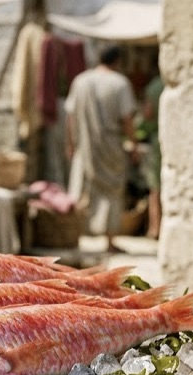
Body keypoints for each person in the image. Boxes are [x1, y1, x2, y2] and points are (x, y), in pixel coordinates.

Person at [64, 46, 138, 253]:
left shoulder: (80, 81)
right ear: (118, 61)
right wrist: (133, 143)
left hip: (84, 145)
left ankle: (75, 236)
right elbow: (127, 118)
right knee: (112, 193)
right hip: (111, 147)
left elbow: (70, 117)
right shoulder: (120, 83)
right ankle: (110, 241)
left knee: (83, 189)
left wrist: (70, 144)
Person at [142, 72, 164, 240]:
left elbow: (147, 113)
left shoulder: (155, 86)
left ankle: (155, 228)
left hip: (158, 140)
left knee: (155, 187)